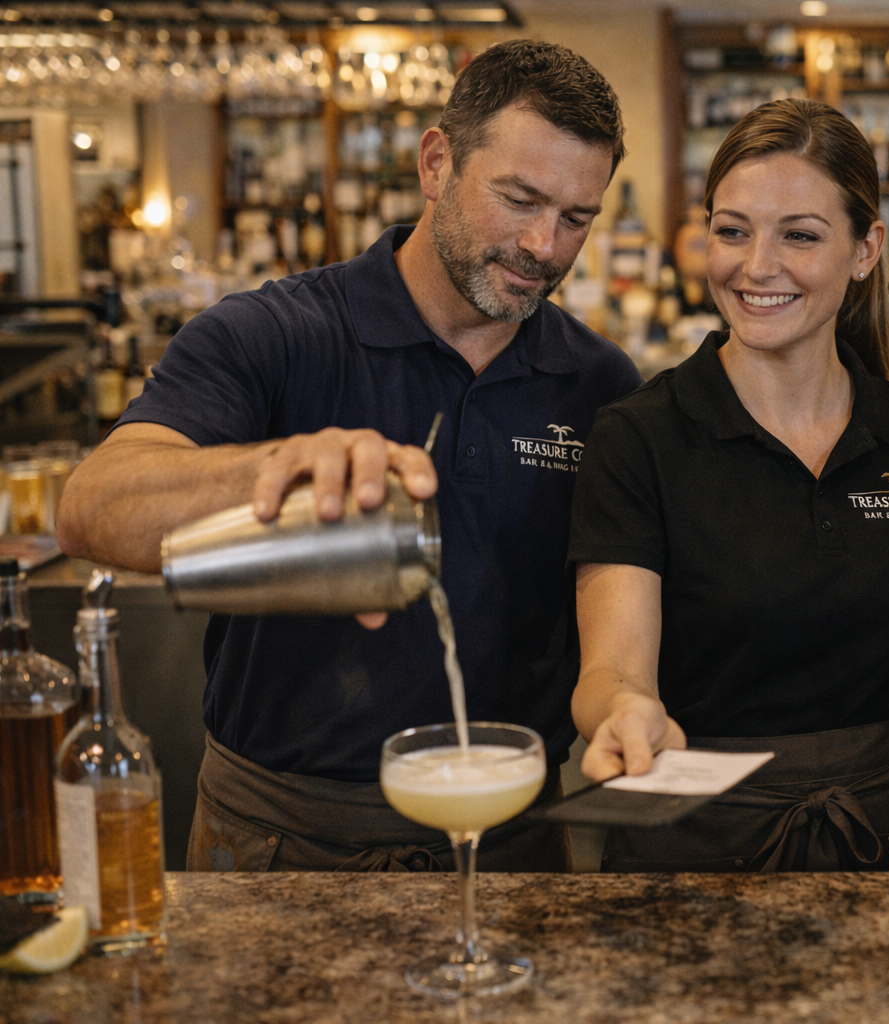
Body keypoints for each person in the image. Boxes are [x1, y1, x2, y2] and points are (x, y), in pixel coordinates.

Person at [56, 40, 642, 872]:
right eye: (519, 200)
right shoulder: (275, 334)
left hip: (511, 837)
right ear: (436, 163)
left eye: (577, 218)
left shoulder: (597, 380)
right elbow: (89, 508)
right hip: (282, 839)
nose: (545, 246)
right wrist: (275, 469)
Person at [566, 98, 889, 874]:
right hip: (692, 842)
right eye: (731, 230)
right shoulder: (639, 436)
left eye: (799, 235)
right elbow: (612, 668)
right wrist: (626, 711)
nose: (755, 266)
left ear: (867, 248)